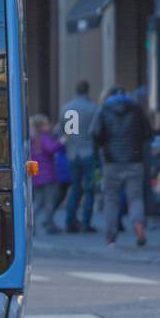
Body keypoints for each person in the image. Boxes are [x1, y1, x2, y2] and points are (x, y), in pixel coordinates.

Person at [91, 85, 153, 246]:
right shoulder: (137, 108)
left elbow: (95, 133)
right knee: (135, 198)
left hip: (112, 161)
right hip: (134, 160)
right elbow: (148, 132)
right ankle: (138, 223)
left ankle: (111, 236)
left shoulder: (104, 109)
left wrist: (103, 146)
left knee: (111, 198)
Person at [61, 79, 98, 233]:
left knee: (75, 188)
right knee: (89, 188)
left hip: (73, 152)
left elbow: (67, 133)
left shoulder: (68, 108)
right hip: (88, 151)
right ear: (88, 90)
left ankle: (70, 220)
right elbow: (95, 131)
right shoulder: (93, 108)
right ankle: (86, 221)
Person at [29, 114, 64, 233]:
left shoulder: (33, 139)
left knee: (38, 201)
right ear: (41, 126)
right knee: (49, 201)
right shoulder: (44, 138)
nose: (49, 126)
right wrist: (61, 142)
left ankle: (30, 223)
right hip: (48, 176)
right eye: (46, 124)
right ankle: (49, 224)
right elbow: (51, 149)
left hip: (37, 176)